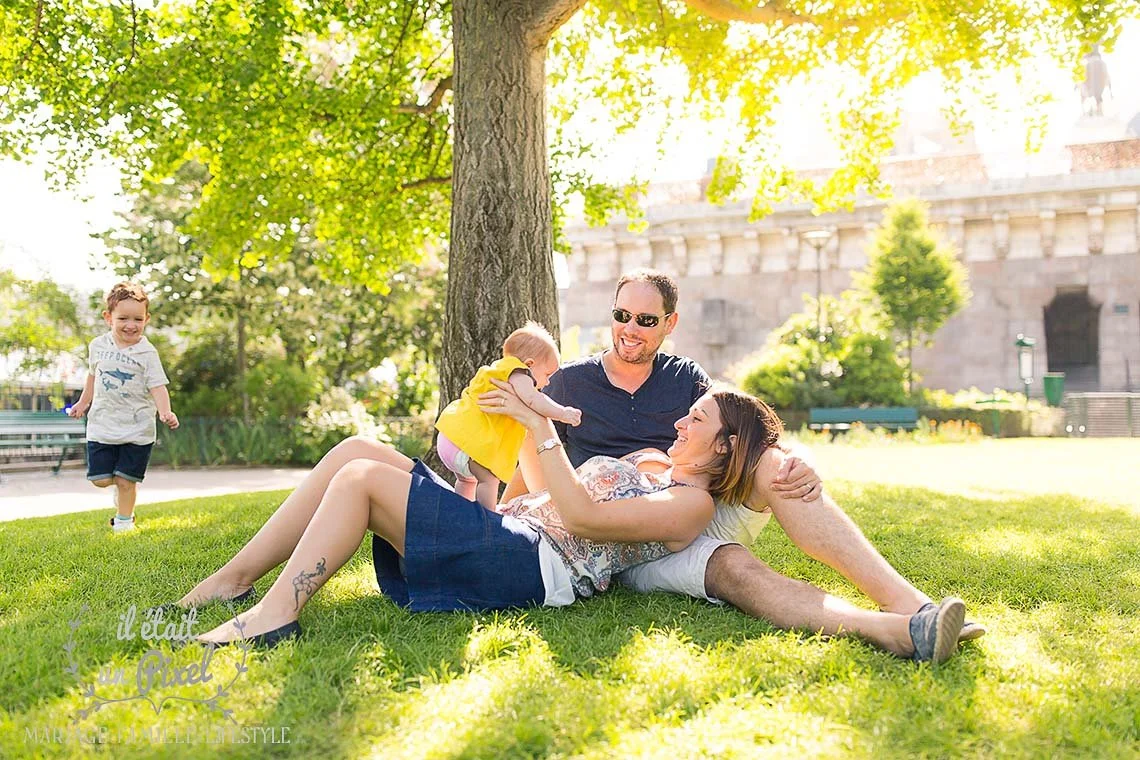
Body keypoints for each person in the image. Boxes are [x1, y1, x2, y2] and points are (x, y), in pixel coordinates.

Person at [180, 384, 966, 664]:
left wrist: (541, 423)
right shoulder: (657, 465)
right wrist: (513, 432)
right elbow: (533, 488)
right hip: (510, 532)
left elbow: (584, 514)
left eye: (695, 420)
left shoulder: (690, 505)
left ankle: (273, 613)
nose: (679, 424)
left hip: (532, 566)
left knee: (357, 476)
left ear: (724, 446)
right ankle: (234, 579)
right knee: (355, 448)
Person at [505, 267, 985, 644]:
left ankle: (910, 604)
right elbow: (532, 473)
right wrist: (503, 517)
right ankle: (895, 633)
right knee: (733, 568)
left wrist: (797, 456)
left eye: (646, 320)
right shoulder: (568, 382)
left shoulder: (684, 377)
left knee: (776, 468)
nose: (630, 329)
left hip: (688, 503)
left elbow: (738, 425)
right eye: (622, 316)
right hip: (622, 537)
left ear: (669, 324)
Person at [67, 282, 179, 533]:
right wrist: (83, 404)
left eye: (138, 319)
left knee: (127, 480)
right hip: (102, 425)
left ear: (146, 319)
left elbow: (158, 386)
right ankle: (120, 490)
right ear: (108, 318)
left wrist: (165, 411)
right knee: (101, 480)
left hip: (137, 427)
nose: (131, 324)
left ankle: (124, 522)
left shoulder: (147, 353)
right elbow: (93, 377)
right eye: (123, 318)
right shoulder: (98, 346)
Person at [435, 322, 581, 509]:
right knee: (488, 479)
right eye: (547, 374)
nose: (546, 382)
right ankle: (487, 521)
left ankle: (461, 512)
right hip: (464, 444)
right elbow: (533, 399)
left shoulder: (497, 371)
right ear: (529, 364)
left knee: (467, 482)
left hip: (449, 439)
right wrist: (562, 413)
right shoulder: (518, 372)